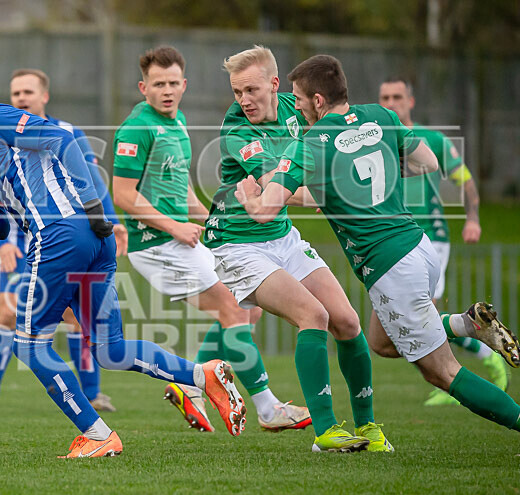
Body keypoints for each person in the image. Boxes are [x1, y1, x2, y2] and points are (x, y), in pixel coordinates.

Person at [0, 67, 247, 458]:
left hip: (60, 234)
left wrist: (91, 202)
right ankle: (202, 375)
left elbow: (61, 137)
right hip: (87, 241)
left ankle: (98, 434)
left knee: (29, 346)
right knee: (110, 349)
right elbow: (1, 230)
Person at [238, 54, 520, 444]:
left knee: (442, 371)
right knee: (381, 341)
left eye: (300, 100)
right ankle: (465, 324)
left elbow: (268, 210)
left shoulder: (311, 143)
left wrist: (251, 200)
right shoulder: (382, 116)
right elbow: (427, 162)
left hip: (390, 265)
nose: (297, 107)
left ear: (318, 101)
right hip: (420, 248)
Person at [112, 45, 309, 434]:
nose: (167, 91)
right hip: (155, 244)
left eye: (173, 83)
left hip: (179, 238)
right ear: (143, 87)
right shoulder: (137, 127)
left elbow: (180, 188)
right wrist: (174, 227)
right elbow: (123, 195)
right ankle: (268, 408)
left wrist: (210, 218)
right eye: (158, 84)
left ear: (184, 84)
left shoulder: (177, 122)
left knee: (246, 309)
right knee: (235, 311)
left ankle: (190, 384)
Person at [202, 45, 390, 453]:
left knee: (347, 321)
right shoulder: (238, 129)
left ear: (274, 84)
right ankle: (325, 432)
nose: (243, 100)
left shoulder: (296, 106)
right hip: (237, 243)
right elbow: (278, 189)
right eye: (237, 92)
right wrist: (338, 190)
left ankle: (369, 427)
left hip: (281, 236)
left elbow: (337, 130)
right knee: (314, 315)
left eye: (251, 90)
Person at [0, 68, 123, 414]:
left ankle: (94, 394)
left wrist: (111, 222)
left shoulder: (68, 133)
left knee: (73, 315)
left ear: (45, 96)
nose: (21, 98)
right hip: (18, 240)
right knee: (7, 311)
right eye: (16, 93)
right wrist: (3, 244)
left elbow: (93, 183)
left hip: (63, 234)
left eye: (28, 92)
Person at [378, 77, 508, 406]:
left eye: (397, 96)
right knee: (394, 334)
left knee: (424, 316)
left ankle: (463, 370)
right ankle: (476, 341)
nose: (391, 102)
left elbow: (464, 180)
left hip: (430, 239)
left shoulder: (431, 140)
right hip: (393, 240)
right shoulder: (374, 142)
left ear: (411, 101)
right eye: (384, 97)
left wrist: (474, 217)